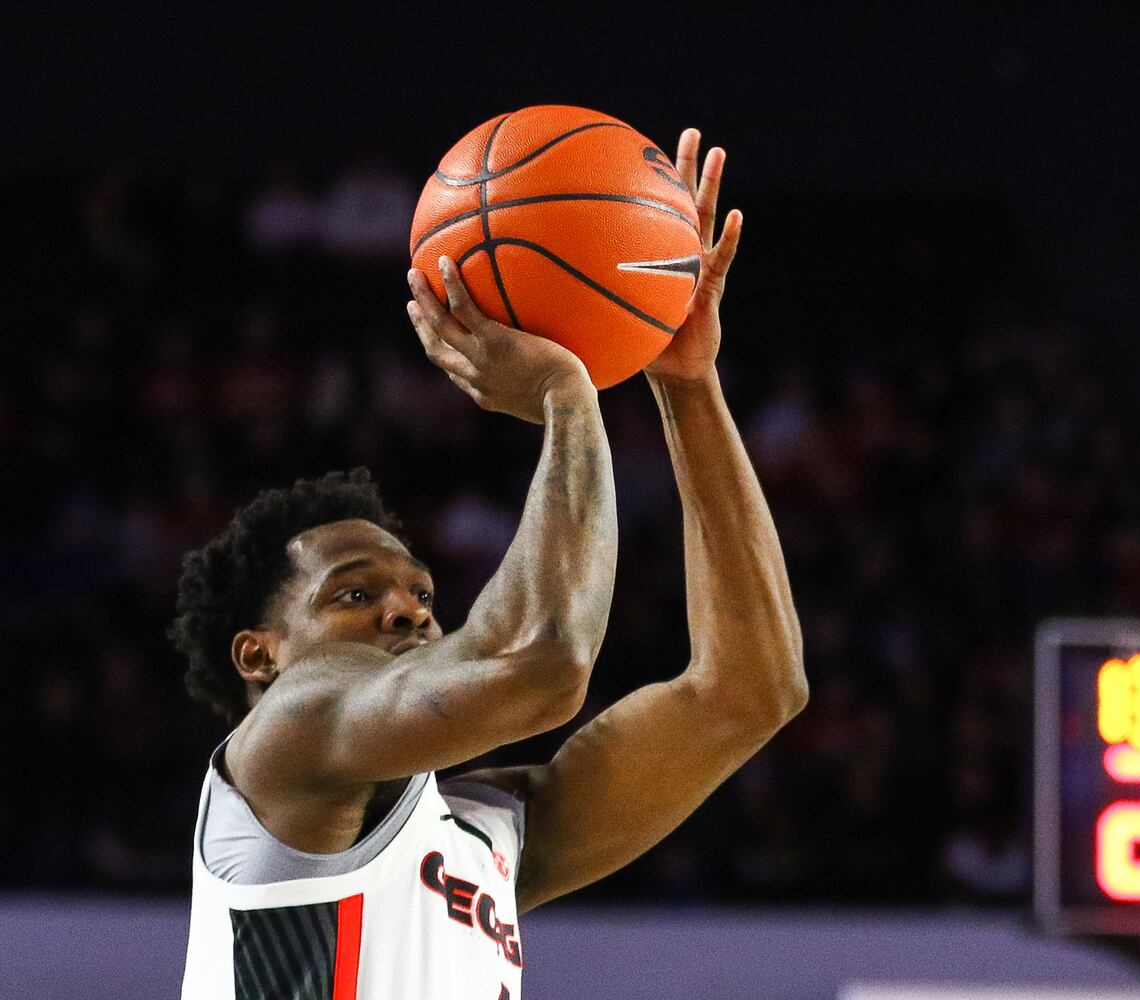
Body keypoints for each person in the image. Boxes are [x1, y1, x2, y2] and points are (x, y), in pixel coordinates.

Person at [169, 130, 805, 999]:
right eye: (353, 593)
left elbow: (752, 691)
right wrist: (566, 396)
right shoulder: (285, 736)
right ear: (261, 655)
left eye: (421, 593)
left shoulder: (488, 831)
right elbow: (540, 664)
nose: (407, 609)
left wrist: (688, 388)